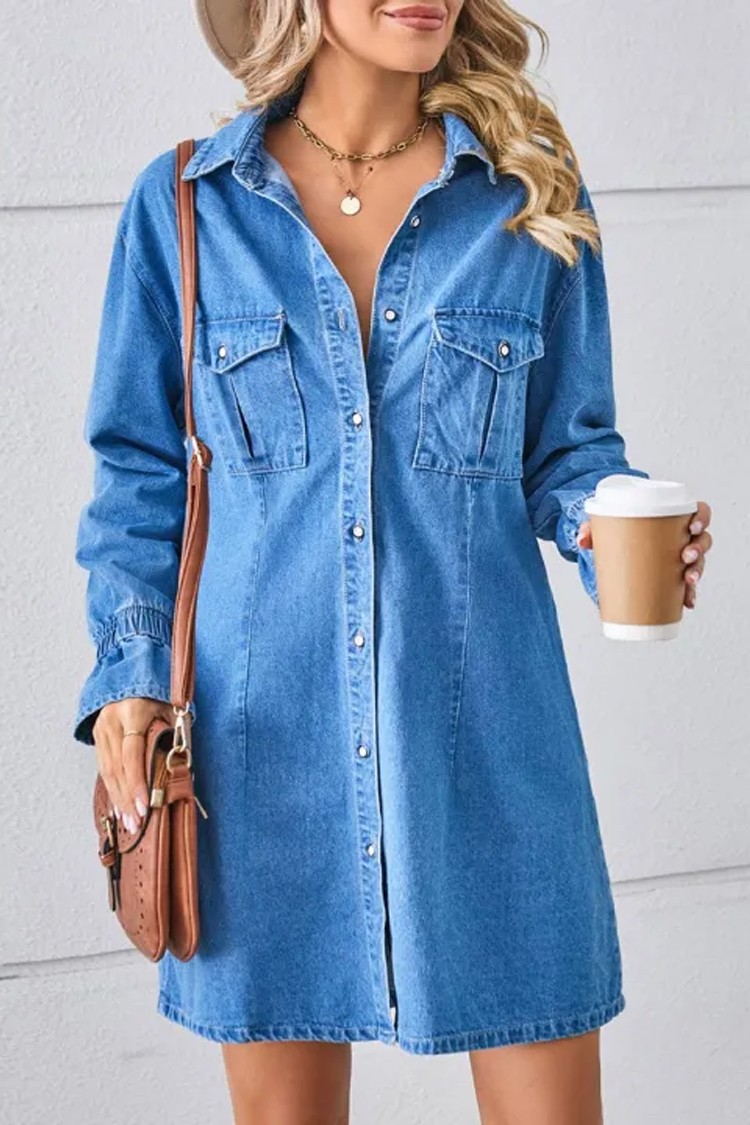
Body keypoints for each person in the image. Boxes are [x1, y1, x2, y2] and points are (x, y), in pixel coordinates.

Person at [72, 1, 713, 1121]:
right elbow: (140, 477)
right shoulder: (187, 207)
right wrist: (128, 679)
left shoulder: (526, 194)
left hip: (491, 744)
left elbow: (570, 451)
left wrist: (605, 525)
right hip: (260, 760)